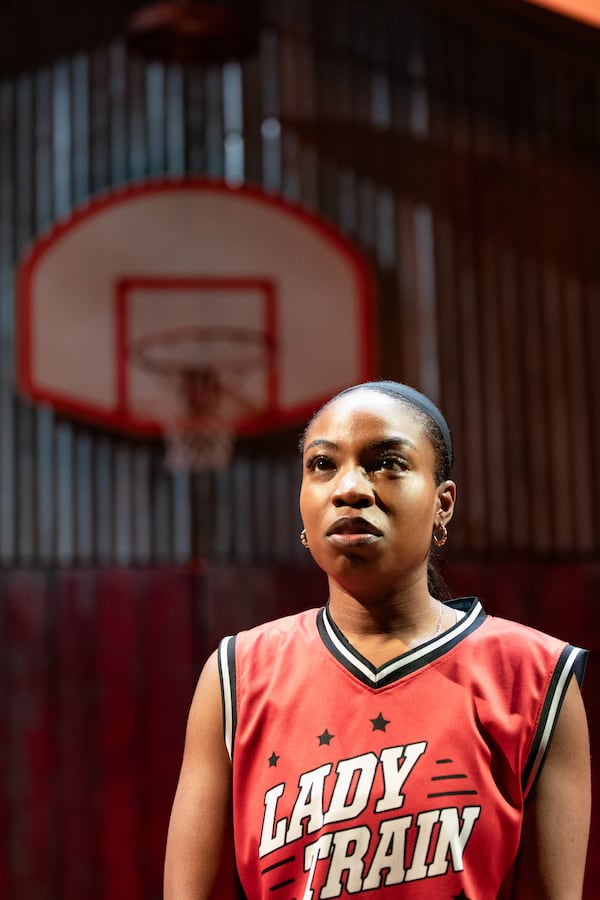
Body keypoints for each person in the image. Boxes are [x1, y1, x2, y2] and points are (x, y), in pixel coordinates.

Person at [164, 380, 590, 900]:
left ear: (443, 503)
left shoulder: (535, 677)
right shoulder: (236, 674)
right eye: (322, 465)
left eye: (387, 462)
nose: (350, 488)